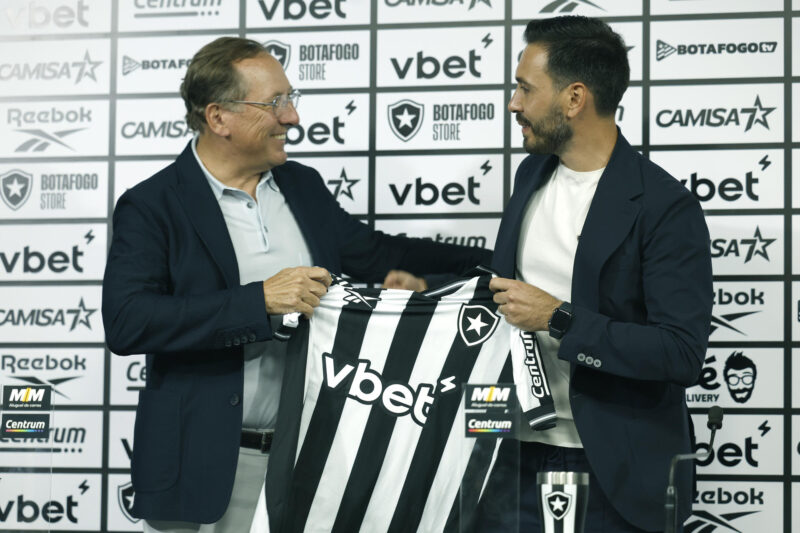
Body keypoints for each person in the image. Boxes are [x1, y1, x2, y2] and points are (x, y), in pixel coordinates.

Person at [101, 37, 490, 533]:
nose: (292, 118)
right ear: (219, 117)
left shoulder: (301, 185)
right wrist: (259, 301)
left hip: (312, 460)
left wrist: (502, 261)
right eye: (274, 103)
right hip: (205, 470)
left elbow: (380, 255)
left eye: (291, 99)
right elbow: (128, 321)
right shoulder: (152, 205)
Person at [484, 16, 713, 532]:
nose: (513, 104)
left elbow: (681, 352)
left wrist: (558, 318)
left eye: (525, 88)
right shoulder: (531, 172)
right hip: (508, 458)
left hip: (614, 471)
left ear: (574, 98)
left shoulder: (664, 206)